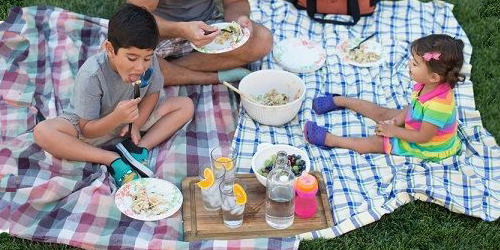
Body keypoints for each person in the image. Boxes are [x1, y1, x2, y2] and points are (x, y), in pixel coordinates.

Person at [33, 3, 194, 187]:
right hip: (92, 127)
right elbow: (86, 129)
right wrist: (116, 117)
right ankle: (111, 159)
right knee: (43, 132)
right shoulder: (92, 75)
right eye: (131, 58)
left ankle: (137, 149)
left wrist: (136, 125)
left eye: (147, 58)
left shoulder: (149, 62)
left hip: (128, 125)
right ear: (110, 49)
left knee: (185, 105)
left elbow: (153, 93)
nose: (140, 67)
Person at [304, 34, 464, 162]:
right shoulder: (427, 84)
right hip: (416, 123)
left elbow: (423, 137)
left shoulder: (439, 105)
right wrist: (395, 121)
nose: (409, 64)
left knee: (377, 142)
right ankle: (339, 100)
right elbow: (412, 107)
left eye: (415, 64)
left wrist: (393, 131)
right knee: (383, 114)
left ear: (434, 77)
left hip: (428, 146)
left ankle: (330, 140)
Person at [128, 0, 273, 86]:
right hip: (159, 30)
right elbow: (136, 15)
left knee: (262, 41)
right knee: (126, 62)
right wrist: (180, 29)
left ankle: (165, 72)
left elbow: (235, 3)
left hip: (208, 24)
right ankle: (212, 77)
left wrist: (239, 19)